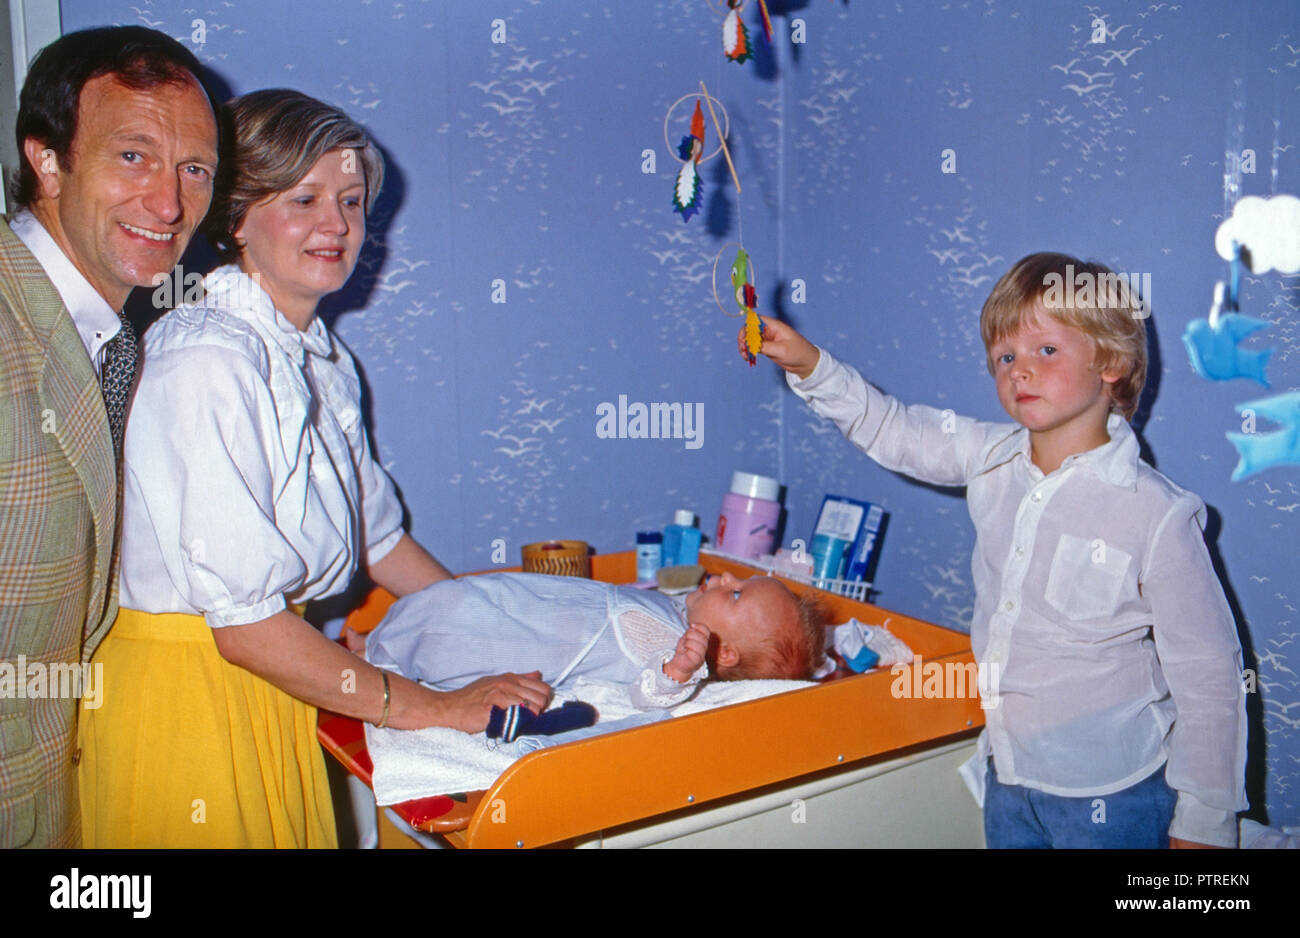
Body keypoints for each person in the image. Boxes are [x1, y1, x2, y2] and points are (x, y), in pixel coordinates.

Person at [77, 89, 548, 848]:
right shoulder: (206, 358)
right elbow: (244, 627)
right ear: (237, 218)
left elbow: (377, 539)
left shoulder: (321, 360)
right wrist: (435, 703)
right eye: (305, 199)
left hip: (273, 677)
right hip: (189, 701)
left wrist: (501, 632)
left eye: (353, 202)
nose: (338, 225)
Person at [750, 252, 1247, 849]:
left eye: (1045, 351)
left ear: (1111, 362)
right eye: (1005, 358)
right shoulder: (989, 457)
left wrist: (1204, 822)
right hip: (1007, 774)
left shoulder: (1154, 511)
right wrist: (812, 366)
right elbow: (896, 430)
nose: (1019, 372)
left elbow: (1209, 674)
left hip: (1113, 791)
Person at [0, 26, 218, 849]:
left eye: (192, 168)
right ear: (47, 161)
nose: (169, 205)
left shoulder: (118, 339)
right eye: (133, 156)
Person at [366, 570, 828, 721]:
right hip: (539, 603)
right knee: (473, 598)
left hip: (532, 637)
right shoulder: (679, 615)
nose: (723, 576)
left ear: (723, 653)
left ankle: (378, 652)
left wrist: (676, 674)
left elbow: (646, 696)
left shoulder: (679, 651)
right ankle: (379, 645)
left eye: (735, 593)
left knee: (459, 623)